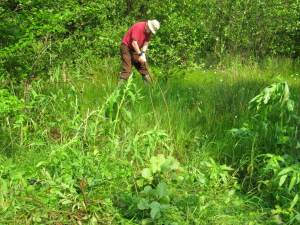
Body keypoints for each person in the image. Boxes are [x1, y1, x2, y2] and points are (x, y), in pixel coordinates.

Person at [119, 19, 160, 84]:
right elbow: (134, 43)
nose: (151, 32)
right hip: (126, 47)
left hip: (135, 49)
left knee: (143, 66)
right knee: (127, 69)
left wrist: (143, 53)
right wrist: (140, 54)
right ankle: (118, 90)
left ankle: (149, 88)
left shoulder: (149, 32)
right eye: (151, 30)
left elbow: (146, 43)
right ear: (148, 25)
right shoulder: (139, 27)